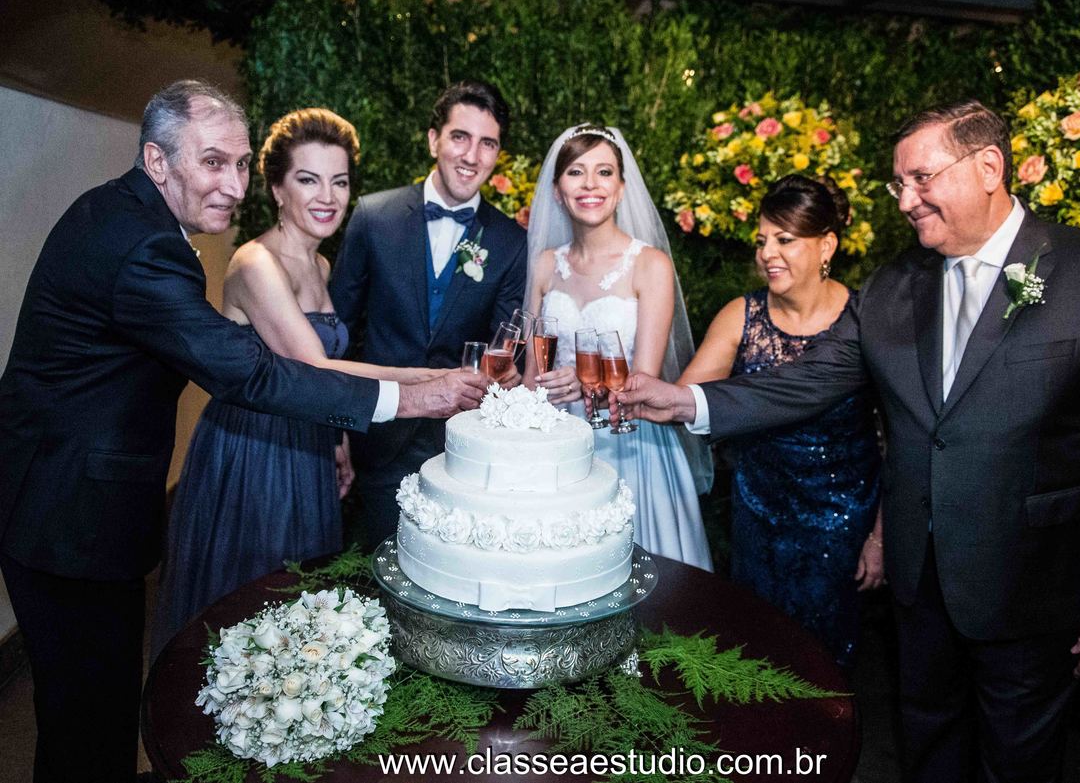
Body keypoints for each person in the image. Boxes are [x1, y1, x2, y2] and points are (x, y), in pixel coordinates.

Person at [618, 101, 1080, 782]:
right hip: (922, 588)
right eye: (899, 185)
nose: (906, 200)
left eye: (920, 179)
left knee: (1020, 764)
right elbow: (812, 379)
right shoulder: (893, 287)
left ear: (988, 167)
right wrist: (687, 400)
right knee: (928, 749)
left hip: (1033, 587)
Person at [0, 81, 486, 783]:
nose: (232, 184)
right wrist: (415, 395)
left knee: (92, 713)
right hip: (68, 515)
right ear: (158, 162)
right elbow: (253, 373)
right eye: (212, 163)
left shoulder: (124, 217)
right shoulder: (144, 247)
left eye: (237, 163)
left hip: (62, 499)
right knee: (89, 721)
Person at [152, 108, 455, 657]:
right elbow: (313, 367)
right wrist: (430, 379)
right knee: (253, 607)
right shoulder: (255, 262)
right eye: (308, 179)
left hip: (308, 448)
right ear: (275, 188)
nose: (328, 196)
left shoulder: (319, 267)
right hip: (254, 456)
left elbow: (319, 381)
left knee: (302, 612)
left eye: (339, 181)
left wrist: (338, 441)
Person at [677, 174, 883, 665]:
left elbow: (896, 437)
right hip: (759, 518)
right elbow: (687, 401)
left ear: (826, 245)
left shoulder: (865, 320)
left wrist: (880, 536)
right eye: (763, 241)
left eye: (785, 240)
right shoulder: (741, 316)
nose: (768, 253)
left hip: (842, 522)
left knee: (829, 661)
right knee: (759, 653)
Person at [331, 80, 527, 548]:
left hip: (460, 449)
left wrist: (509, 374)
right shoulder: (372, 216)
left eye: (488, 144)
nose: (472, 155)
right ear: (433, 139)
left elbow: (503, 347)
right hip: (373, 438)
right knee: (367, 576)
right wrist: (334, 431)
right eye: (460, 136)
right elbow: (335, 332)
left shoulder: (509, 241)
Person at [523, 124, 713, 570]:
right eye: (576, 172)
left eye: (604, 172)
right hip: (554, 448)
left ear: (622, 187)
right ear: (556, 190)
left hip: (631, 440)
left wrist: (586, 383)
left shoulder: (651, 265)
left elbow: (642, 382)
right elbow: (532, 378)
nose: (590, 184)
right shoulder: (544, 265)